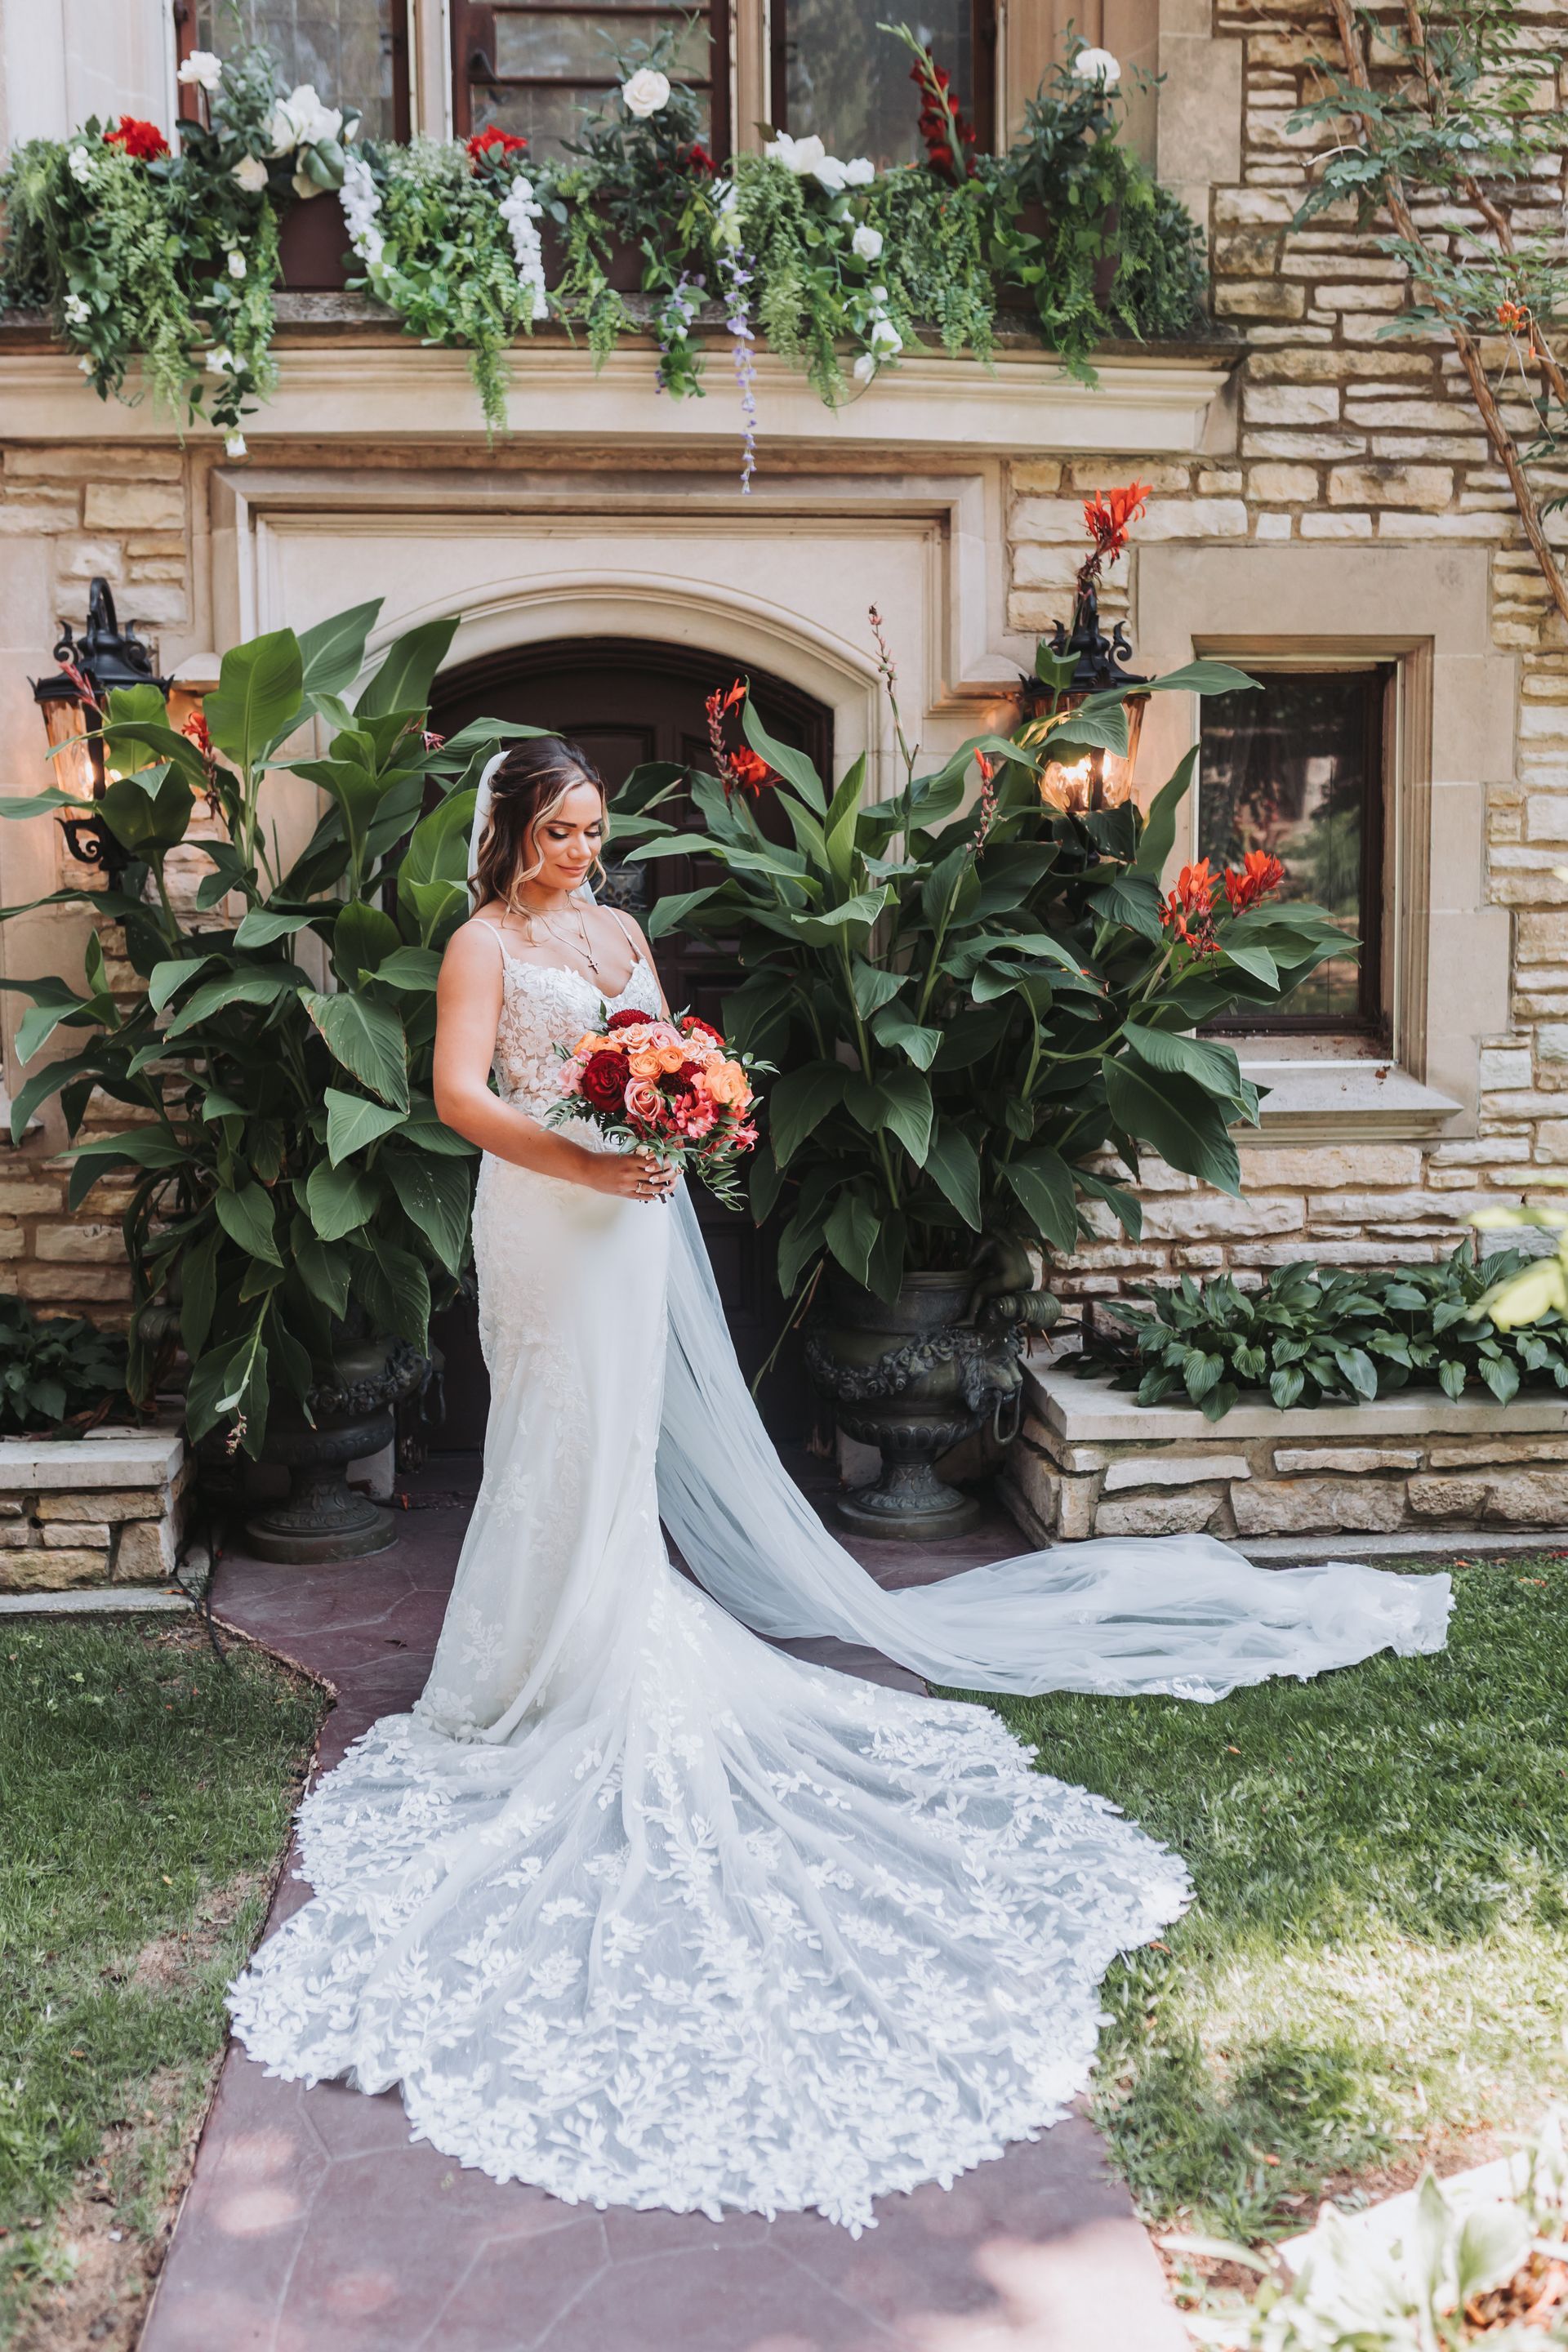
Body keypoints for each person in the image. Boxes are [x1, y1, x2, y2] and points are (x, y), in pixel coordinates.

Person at [227, 736, 1450, 2234]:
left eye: (593, 828)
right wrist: (585, 1153)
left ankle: (611, 1636)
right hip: (543, 1216)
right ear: (507, 832)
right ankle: (525, 1665)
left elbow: (664, 1055)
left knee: (619, 1444)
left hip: (626, 1214)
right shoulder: (483, 942)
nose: (580, 854)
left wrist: (682, 1113)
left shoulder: (623, 932)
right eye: (557, 830)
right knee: (552, 1428)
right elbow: (459, 1097)